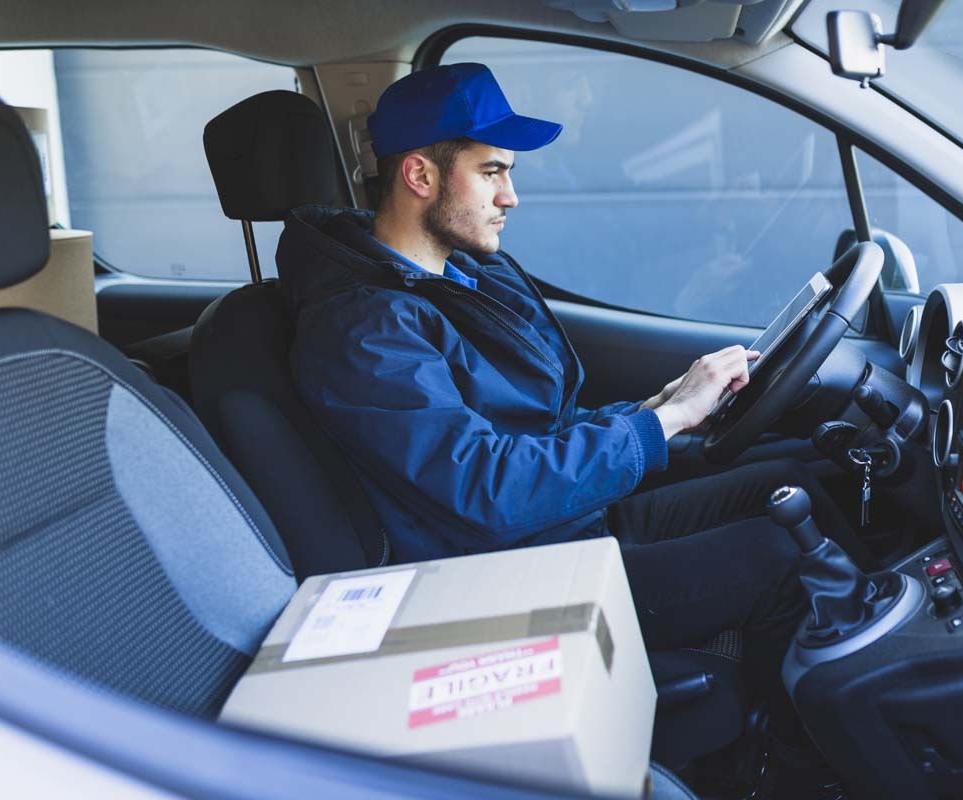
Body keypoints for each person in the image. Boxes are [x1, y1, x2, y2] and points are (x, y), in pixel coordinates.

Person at [280, 62, 871, 739]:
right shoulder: (364, 331)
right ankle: (790, 764)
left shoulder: (455, 280)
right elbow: (486, 490)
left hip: (564, 523)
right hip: (508, 574)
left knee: (792, 481)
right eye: (493, 171)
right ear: (420, 176)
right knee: (787, 559)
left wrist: (658, 405)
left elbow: (538, 430)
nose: (511, 197)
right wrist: (665, 422)